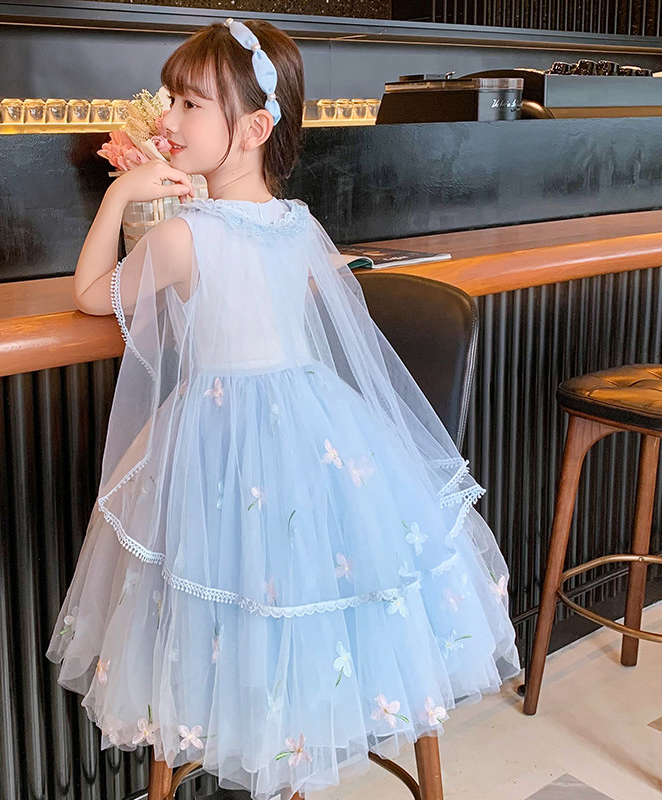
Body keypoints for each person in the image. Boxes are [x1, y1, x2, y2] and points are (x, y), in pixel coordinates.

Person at [46, 17, 520, 800]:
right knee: (304, 589)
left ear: (254, 129)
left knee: (227, 598)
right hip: (318, 438)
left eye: (190, 104)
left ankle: (253, 733)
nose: (169, 118)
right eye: (171, 99)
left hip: (218, 447)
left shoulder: (185, 238)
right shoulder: (299, 225)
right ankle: (294, 731)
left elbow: (92, 295)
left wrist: (124, 193)